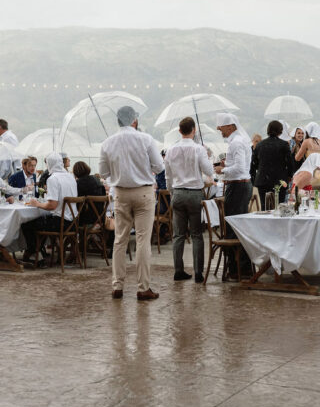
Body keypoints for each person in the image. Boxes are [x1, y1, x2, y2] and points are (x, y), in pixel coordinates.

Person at [99, 105, 164, 301]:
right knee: (144, 240)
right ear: (134, 121)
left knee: (120, 240)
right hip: (143, 192)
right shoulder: (145, 139)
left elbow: (103, 173)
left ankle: (117, 286)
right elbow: (159, 167)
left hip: (120, 193)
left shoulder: (107, 143)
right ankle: (143, 287)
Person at [164, 116, 215, 282]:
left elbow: (168, 176)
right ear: (194, 130)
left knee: (178, 235)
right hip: (194, 193)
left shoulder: (171, 150)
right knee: (196, 234)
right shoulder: (198, 149)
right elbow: (208, 171)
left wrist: (172, 191)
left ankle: (178, 270)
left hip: (177, 193)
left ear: (179, 131)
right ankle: (198, 273)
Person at [215, 112, 253, 280]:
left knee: (233, 228)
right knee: (238, 227)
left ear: (230, 126)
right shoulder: (240, 141)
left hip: (237, 186)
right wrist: (227, 165)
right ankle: (240, 267)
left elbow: (239, 168)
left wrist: (221, 170)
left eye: (221, 127)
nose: (219, 130)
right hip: (241, 185)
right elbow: (240, 166)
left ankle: (237, 269)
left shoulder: (236, 143)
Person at [21, 153, 78, 265]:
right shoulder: (70, 177)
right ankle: (37, 252)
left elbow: (52, 205)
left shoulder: (53, 179)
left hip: (60, 223)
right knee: (40, 221)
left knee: (27, 224)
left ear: (50, 164)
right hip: (73, 222)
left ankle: (33, 254)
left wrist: (37, 204)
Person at [251, 120, 296, 208]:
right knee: (279, 207)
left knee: (264, 208)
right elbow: (291, 165)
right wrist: (288, 177)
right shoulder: (283, 145)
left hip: (262, 181)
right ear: (280, 131)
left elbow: (253, 165)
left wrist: (254, 181)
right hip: (279, 182)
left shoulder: (259, 145)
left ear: (268, 130)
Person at [73, 160, 106, 226]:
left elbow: (76, 202)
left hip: (85, 219)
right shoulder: (97, 179)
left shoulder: (78, 183)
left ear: (76, 172)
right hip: (101, 217)